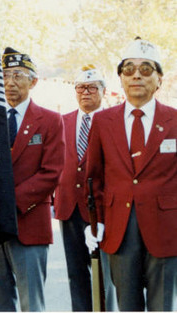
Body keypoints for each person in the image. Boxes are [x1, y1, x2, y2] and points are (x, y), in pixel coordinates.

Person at [85, 37, 177, 311]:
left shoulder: (174, 120)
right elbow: (94, 178)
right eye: (128, 69)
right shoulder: (103, 121)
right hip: (119, 228)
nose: (137, 75)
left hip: (166, 230)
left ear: (159, 79)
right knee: (128, 306)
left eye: (146, 69)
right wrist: (96, 221)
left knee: (163, 307)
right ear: (121, 79)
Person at [0, 47, 65, 311]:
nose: (10, 82)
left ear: (33, 81)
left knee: (31, 302)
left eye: (18, 75)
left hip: (29, 223)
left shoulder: (50, 121)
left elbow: (52, 172)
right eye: (5, 75)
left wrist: (10, 201)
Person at [54, 65, 117, 311]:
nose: (85, 92)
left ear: (103, 91)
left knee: (104, 274)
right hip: (69, 208)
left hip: (103, 211)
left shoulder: (112, 121)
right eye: (81, 87)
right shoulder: (62, 121)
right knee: (76, 273)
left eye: (92, 87)